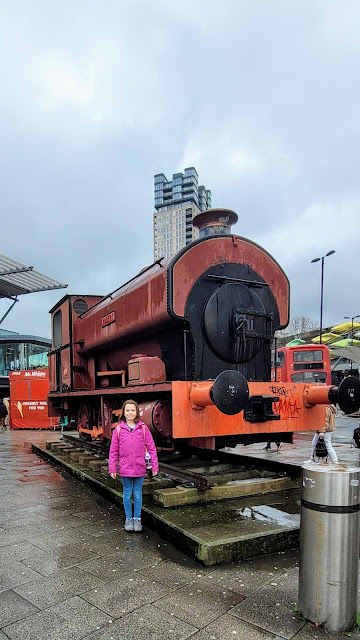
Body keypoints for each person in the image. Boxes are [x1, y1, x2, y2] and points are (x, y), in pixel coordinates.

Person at [108, 399, 159, 532]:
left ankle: (137, 519)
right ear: (123, 412)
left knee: (137, 493)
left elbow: (151, 447)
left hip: (139, 466)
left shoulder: (143, 428)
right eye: (127, 410)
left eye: (132, 410)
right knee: (126, 493)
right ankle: (128, 519)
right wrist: (112, 467)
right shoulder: (118, 429)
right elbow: (113, 450)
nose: (130, 413)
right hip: (125, 467)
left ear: (137, 412)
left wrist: (154, 466)